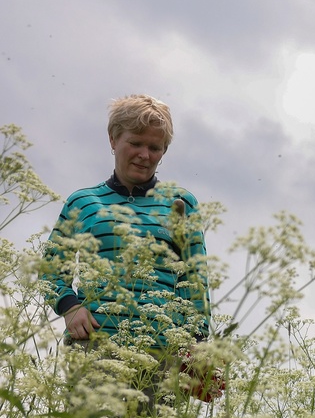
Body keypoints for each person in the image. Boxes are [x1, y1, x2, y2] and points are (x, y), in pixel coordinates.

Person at [42, 94, 209, 356]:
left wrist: (199, 345)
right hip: (95, 346)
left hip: (162, 352)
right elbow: (51, 271)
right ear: (113, 139)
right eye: (135, 143)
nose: (145, 155)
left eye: (155, 148)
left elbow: (196, 281)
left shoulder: (181, 203)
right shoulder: (83, 202)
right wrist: (70, 307)